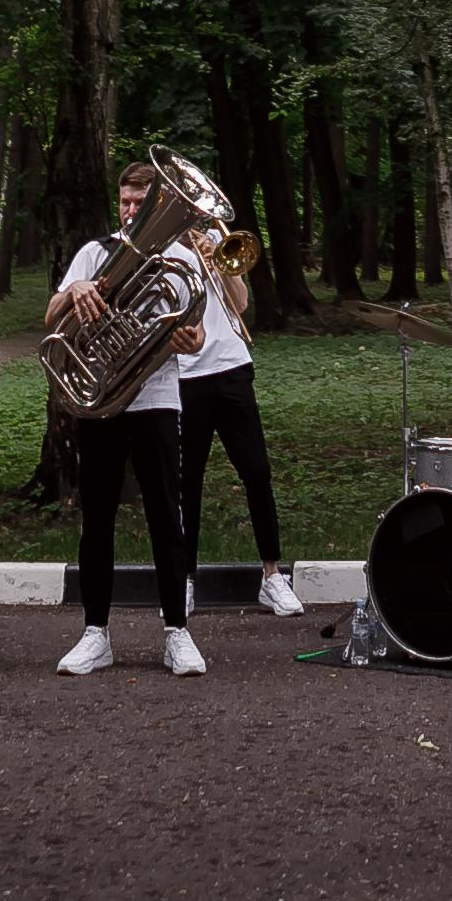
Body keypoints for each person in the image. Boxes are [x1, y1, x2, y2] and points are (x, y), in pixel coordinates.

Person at [49, 157, 207, 676]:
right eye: (126, 202)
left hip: (157, 400)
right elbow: (51, 316)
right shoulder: (95, 253)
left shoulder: (180, 259)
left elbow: (197, 333)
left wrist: (189, 337)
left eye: (142, 202)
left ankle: (177, 632)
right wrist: (74, 291)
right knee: (97, 519)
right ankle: (96, 633)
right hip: (101, 403)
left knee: (166, 515)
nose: (132, 209)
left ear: (157, 204)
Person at [178, 219, 305, 619]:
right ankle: (183, 580)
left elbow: (242, 304)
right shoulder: (159, 251)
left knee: (256, 472)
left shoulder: (216, 241)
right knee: (187, 483)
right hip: (184, 376)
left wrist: (216, 262)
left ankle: (271, 577)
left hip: (232, 367)